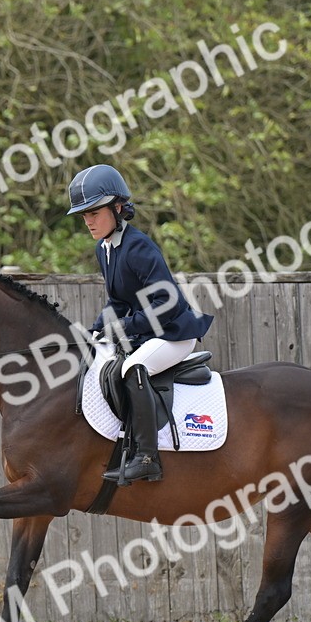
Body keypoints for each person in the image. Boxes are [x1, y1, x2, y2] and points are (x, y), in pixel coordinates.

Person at [66, 164, 214, 484]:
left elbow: (169, 303)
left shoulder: (138, 246)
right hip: (146, 332)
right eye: (83, 214)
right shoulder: (104, 248)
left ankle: (147, 457)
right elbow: (118, 302)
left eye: (94, 211)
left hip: (174, 332)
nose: (88, 220)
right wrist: (95, 330)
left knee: (133, 368)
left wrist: (125, 327)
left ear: (117, 207)